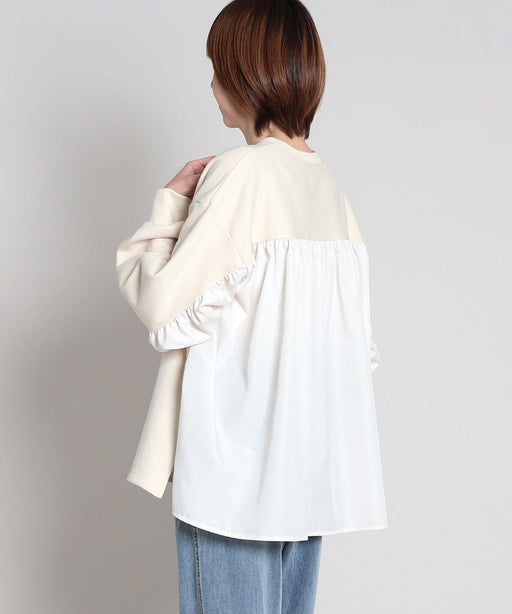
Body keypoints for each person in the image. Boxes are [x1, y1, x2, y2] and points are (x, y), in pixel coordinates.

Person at [116, 0, 388, 612]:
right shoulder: (327, 185)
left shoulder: (241, 173)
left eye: (218, 67)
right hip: (304, 477)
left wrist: (169, 204)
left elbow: (163, 306)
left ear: (246, 75)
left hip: (235, 479)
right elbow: (355, 350)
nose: (211, 85)